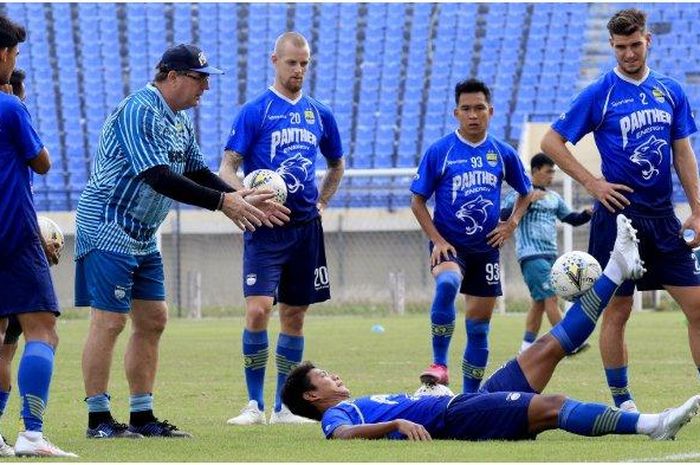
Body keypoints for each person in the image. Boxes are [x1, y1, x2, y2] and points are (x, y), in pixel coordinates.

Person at [281, 216, 698, 442]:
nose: (334, 377)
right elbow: (342, 435)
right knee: (553, 404)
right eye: (324, 378)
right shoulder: (334, 414)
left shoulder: (351, 402)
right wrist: (395, 425)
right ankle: (652, 424)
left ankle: (616, 268)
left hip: (464, 401)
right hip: (457, 418)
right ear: (312, 395)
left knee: (548, 347)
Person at [75, 43, 291, 439]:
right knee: (109, 321)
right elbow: (157, 175)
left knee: (154, 319)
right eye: (199, 78)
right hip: (108, 223)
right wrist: (222, 202)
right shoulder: (139, 109)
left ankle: (142, 416)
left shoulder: (178, 120)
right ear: (171, 76)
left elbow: (194, 171)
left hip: (142, 230)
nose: (205, 88)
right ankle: (98, 419)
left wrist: (237, 196)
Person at [541, 8, 700, 413]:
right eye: (620, 47)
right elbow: (551, 142)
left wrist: (697, 210)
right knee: (618, 309)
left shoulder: (671, 91)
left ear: (648, 40)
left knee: (697, 304)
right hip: (618, 218)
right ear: (611, 46)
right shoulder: (600, 92)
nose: (628, 54)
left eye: (635, 45)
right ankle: (623, 401)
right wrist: (592, 183)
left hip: (664, 218)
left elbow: (683, 152)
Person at [219, 31, 344, 426]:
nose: (298, 69)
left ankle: (284, 407)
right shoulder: (255, 110)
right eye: (292, 62)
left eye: (304, 63)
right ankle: (253, 405)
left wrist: (323, 201)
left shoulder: (320, 113)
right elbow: (227, 165)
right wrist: (244, 198)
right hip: (265, 228)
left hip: (306, 228)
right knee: (258, 310)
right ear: (274, 60)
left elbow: (337, 164)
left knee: (294, 316)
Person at [410, 78, 533, 393]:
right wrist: (437, 240)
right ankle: (439, 364)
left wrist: (511, 223)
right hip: (450, 245)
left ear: (490, 111)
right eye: (466, 109)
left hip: (486, 250)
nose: (473, 115)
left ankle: (469, 398)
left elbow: (526, 192)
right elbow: (417, 200)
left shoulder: (502, 153)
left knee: (478, 328)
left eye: (479, 108)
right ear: (456, 113)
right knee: (449, 283)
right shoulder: (441, 151)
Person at [0, 15, 75, 457]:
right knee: (42, 330)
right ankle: (31, 433)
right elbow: (42, 162)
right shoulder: (9, 107)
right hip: (12, 235)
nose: (14, 61)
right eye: (15, 54)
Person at [500, 153, 592, 353]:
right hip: (531, 255)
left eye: (553, 172)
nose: (552, 176)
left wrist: (586, 214)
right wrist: (528, 201)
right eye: (548, 171)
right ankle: (569, 341)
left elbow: (571, 218)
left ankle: (525, 348)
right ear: (535, 171)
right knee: (551, 297)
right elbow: (503, 215)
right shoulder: (520, 193)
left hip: (551, 255)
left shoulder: (553, 197)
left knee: (539, 303)